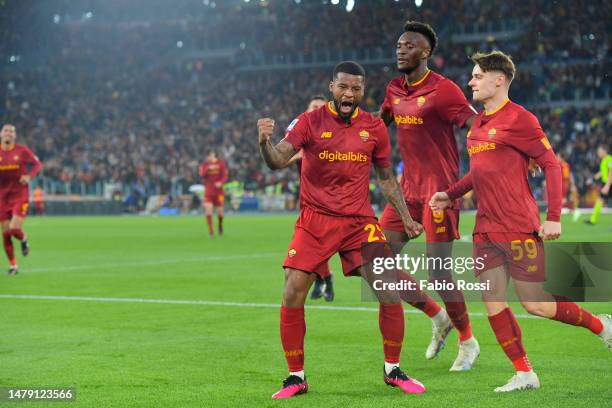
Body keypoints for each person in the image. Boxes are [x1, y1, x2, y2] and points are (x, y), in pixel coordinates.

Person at [429, 50, 611, 392]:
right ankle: (524, 372)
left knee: (536, 303)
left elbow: (552, 164)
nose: (471, 81)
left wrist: (554, 217)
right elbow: (477, 174)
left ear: (499, 80)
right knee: (493, 302)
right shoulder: (476, 126)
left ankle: (601, 326)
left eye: (477, 76)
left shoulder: (521, 119)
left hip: (518, 225)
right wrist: (450, 194)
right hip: (484, 230)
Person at [258, 61, 426, 399]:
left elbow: (386, 178)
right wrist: (264, 141)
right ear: (333, 87)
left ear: (363, 90)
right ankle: (295, 377)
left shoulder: (374, 128)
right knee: (292, 290)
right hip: (315, 219)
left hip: (358, 223)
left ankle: (392, 369)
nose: (349, 94)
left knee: (388, 288)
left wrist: (406, 217)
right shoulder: (309, 122)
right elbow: (277, 160)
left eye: (356, 88)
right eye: (343, 87)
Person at [378, 21, 479, 369]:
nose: (400, 49)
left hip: (440, 193)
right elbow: (380, 125)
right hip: (406, 194)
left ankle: (468, 342)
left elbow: (476, 124)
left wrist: (512, 148)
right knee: (376, 262)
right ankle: (438, 317)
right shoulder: (394, 88)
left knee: (438, 272)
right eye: (398, 45)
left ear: (425, 52)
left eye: (408, 45)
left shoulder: (444, 90)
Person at [282, 95, 335, 302]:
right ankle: (325, 280)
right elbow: (280, 158)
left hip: (333, 203)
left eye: (321, 107)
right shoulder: (302, 136)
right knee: (315, 246)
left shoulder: (335, 135)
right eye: (314, 106)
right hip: (308, 200)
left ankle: (325, 280)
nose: (317, 110)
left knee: (320, 247)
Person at [0, 124, 42, 275]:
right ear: (1, 134)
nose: (8, 134)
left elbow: (37, 164)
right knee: (5, 234)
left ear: (14, 136)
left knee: (14, 229)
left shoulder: (22, 150)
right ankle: (14, 266)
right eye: (5, 131)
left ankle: (24, 238)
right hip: (2, 198)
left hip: (19, 195)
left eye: (11, 131)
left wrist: (29, 176)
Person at [199, 150, 228, 237]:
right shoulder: (205, 165)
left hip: (219, 191)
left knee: (220, 212)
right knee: (208, 210)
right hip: (208, 191)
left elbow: (225, 176)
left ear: (215, 156)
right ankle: (211, 231)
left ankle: (220, 225)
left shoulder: (221, 163)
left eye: (211, 156)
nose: (210, 158)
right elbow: (202, 175)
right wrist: (208, 168)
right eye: (208, 156)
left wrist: (220, 182)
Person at [584, 145, 611, 225]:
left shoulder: (609, 159)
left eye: (600, 151)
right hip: (606, 183)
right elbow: (602, 172)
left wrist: (607, 185)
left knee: (600, 200)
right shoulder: (603, 160)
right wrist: (592, 179)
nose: (598, 153)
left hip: (609, 183)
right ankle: (593, 220)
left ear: (604, 151)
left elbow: (611, 172)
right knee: (600, 200)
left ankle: (593, 220)